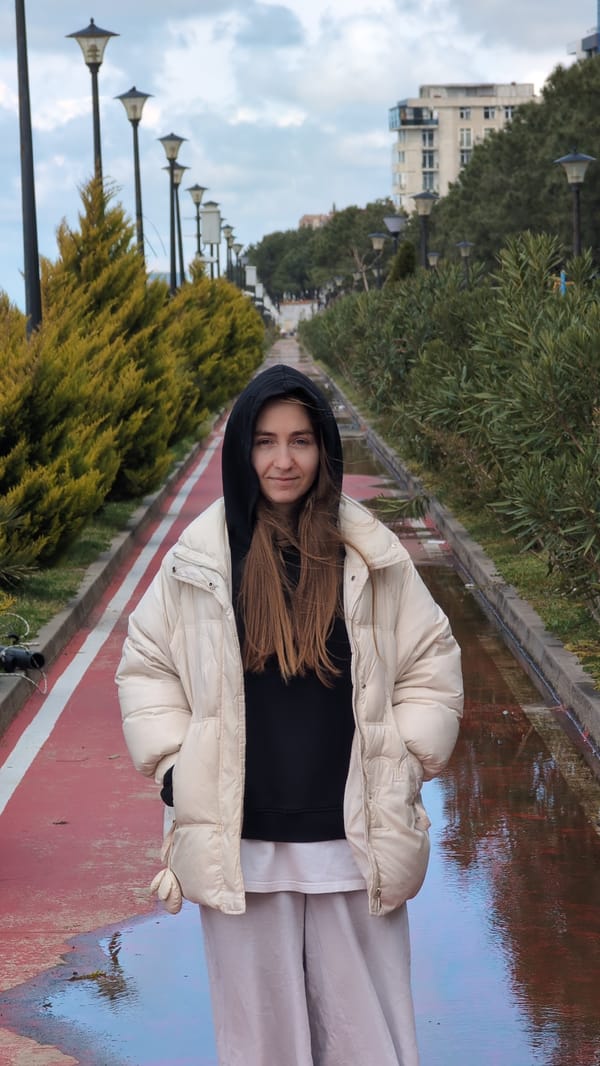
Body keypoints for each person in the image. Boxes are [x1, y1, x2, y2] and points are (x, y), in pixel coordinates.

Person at [116, 363, 463, 1066]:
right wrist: (177, 770)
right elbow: (147, 665)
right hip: (240, 840)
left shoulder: (369, 552)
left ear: (324, 450)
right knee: (261, 1044)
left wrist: (404, 757)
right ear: (243, 449)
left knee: (368, 1036)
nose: (283, 460)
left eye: (301, 441)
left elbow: (431, 660)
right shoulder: (202, 558)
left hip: (352, 835)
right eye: (266, 441)